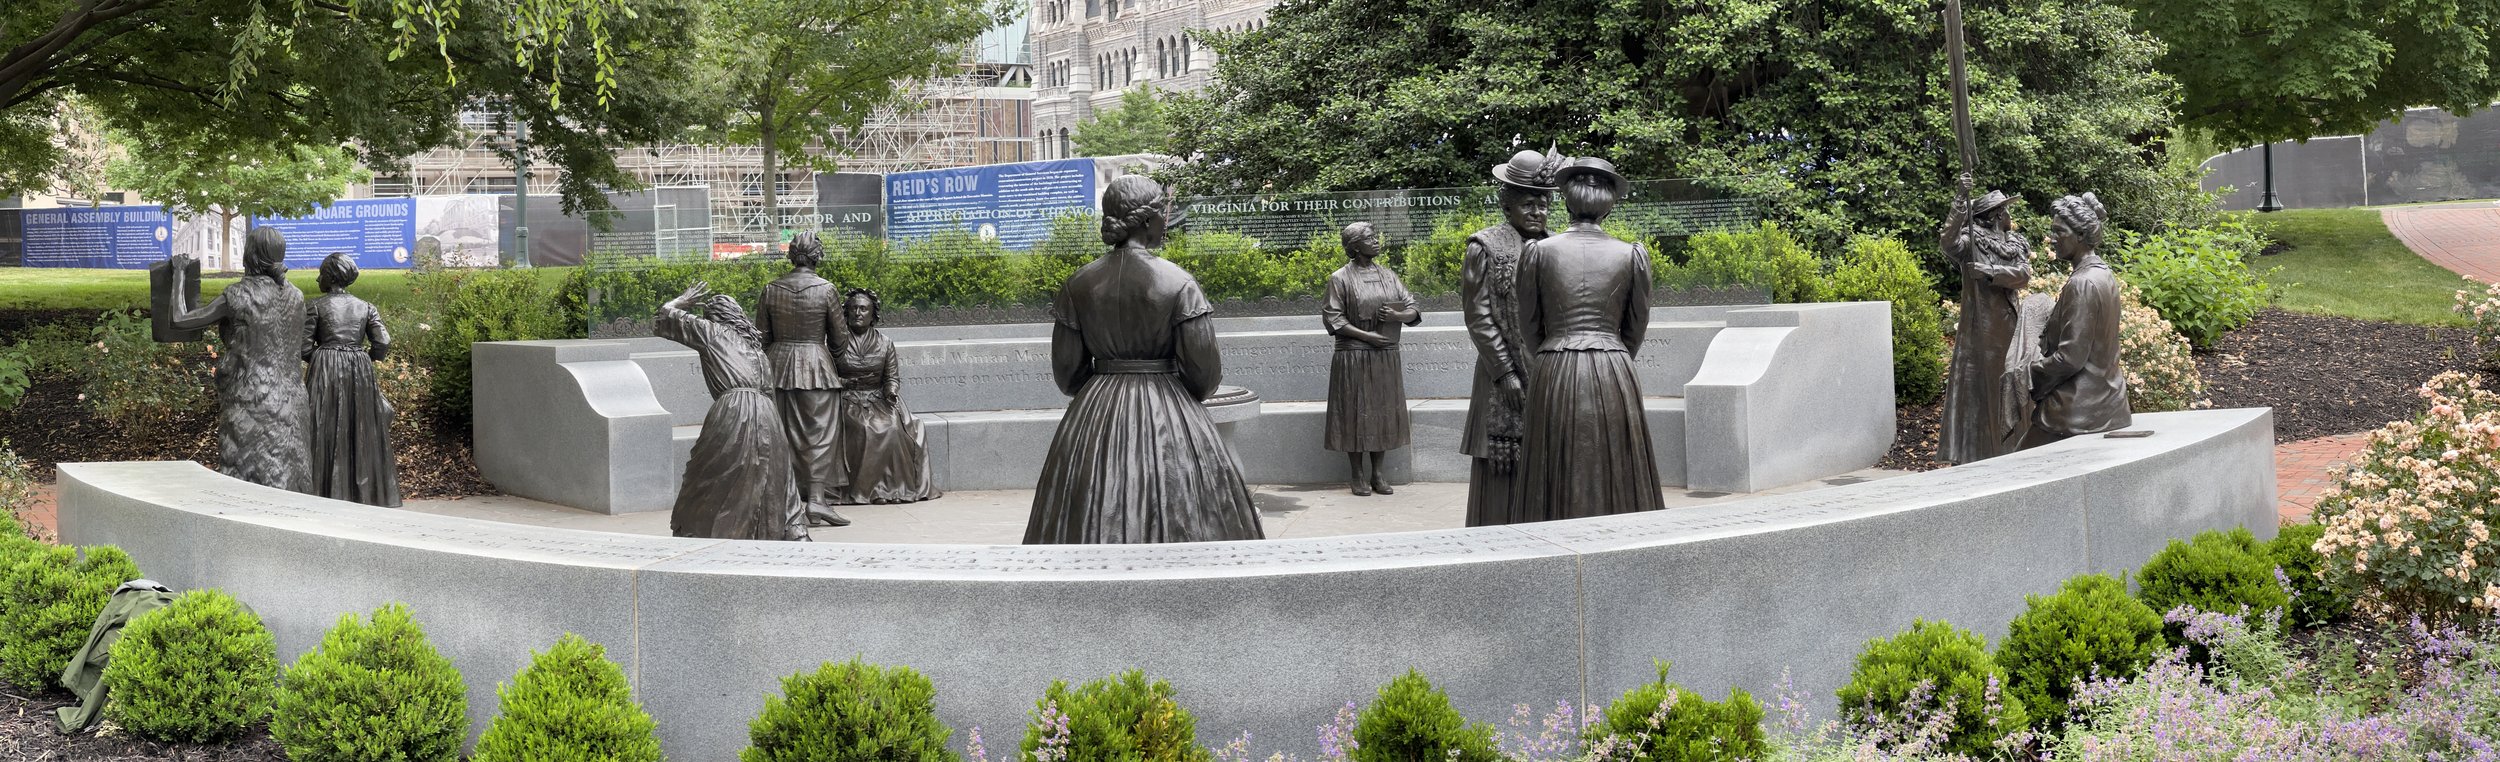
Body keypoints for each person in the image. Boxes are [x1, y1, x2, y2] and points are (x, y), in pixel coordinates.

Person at [1023, 175, 1264, 544]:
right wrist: (1175, 400)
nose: (1166, 221)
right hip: (1168, 406)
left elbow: (1068, 376)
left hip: (1095, 411)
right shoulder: (1179, 283)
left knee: (1086, 512)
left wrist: (1103, 387)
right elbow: (1204, 374)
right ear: (1147, 220)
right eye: (1162, 213)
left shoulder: (1078, 284)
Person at [1514, 156, 1664, 521]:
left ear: (1566, 201)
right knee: (1616, 456)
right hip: (1614, 365)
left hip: (1553, 364)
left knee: (1553, 457)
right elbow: (1635, 327)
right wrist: (1611, 352)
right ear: (1609, 205)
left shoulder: (1536, 252)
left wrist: (1553, 352)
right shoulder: (1631, 255)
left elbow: (1529, 325)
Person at [160, 228, 311, 493]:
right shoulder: (297, 296)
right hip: (292, 399)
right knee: (291, 469)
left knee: (246, 472)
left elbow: (180, 320)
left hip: (250, 399)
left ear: (249, 255)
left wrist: (179, 274)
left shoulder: (238, 295)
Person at [656, 281, 809, 541]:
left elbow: (665, 314)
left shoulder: (713, 332)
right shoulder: (758, 350)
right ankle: (783, 532)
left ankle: (709, 534)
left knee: (711, 476)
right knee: (771, 474)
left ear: (715, 317)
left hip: (735, 411)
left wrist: (682, 300)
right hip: (769, 415)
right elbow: (769, 392)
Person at [1462, 146, 1563, 526]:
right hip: (1499, 376)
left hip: (1546, 372)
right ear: (1508, 206)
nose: (1538, 212)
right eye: (1529, 205)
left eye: (1543, 204)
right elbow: (1478, 315)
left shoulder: (1554, 247)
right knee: (1502, 469)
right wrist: (1505, 372)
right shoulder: (1484, 246)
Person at [2022, 193, 2131, 448]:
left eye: (2060, 231)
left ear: (2080, 235)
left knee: (2011, 474)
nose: (2052, 238)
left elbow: (2070, 358)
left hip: (2076, 411)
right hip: (2107, 402)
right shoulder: (2103, 274)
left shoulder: (2082, 283)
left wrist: (2027, 373)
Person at [1937, 179, 2034, 463]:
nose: (2009, 215)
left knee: (2013, 382)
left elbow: (2023, 276)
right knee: (1981, 388)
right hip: (1980, 328)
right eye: (2005, 210)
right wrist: (1959, 198)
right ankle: (1978, 450)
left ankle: (2015, 443)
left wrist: (1989, 270)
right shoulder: (1973, 240)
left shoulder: (2015, 242)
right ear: (1995, 215)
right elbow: (1948, 242)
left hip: (2009, 324)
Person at [1321, 222, 1422, 496]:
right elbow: (1334, 319)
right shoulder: (1339, 278)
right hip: (1353, 355)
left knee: (1383, 412)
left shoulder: (1389, 276)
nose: (1376, 241)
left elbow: (1412, 307)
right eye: (1369, 238)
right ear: (1354, 246)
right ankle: (1357, 473)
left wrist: (1398, 317)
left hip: (1385, 356)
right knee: (1355, 411)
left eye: (1375, 236)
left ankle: (1378, 473)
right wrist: (1367, 337)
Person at [759, 232, 851, 527]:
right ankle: (816, 500)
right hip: (816, 369)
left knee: (781, 435)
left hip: (778, 367)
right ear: (817, 257)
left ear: (791, 256)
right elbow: (839, 339)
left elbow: (762, 337)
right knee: (820, 435)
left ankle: (781, 502)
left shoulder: (771, 289)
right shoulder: (826, 290)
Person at [301, 253, 401, 507]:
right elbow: (383, 342)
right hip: (359, 369)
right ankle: (364, 494)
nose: (317, 278)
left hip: (326, 370)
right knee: (361, 426)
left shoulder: (315, 305)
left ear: (330, 276)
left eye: (321, 273)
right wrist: (366, 356)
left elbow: (302, 347)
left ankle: (322, 491)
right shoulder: (365, 307)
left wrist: (324, 357)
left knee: (323, 425)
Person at [831, 288, 942, 504]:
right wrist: (844, 383)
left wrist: (891, 392)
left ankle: (887, 489)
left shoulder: (885, 343)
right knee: (863, 428)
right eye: (853, 308)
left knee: (893, 427)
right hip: (846, 398)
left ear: (873, 314)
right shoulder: (836, 343)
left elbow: (892, 377)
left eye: (863, 309)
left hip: (880, 398)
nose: (858, 313)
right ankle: (864, 490)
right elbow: (826, 374)